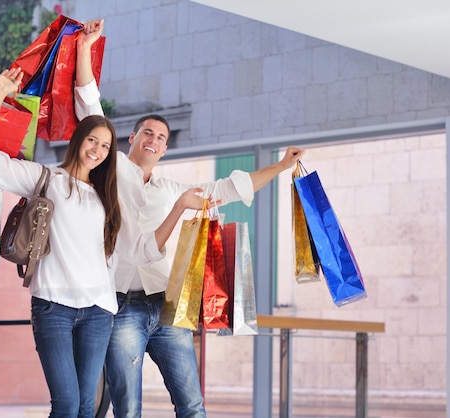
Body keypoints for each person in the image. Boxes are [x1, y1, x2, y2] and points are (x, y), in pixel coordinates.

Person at [0, 20, 210, 418]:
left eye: (105, 146)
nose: (97, 149)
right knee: (65, 404)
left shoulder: (108, 199)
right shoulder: (46, 179)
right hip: (53, 308)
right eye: (92, 141)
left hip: (99, 310)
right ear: (79, 141)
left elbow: (143, 248)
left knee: (86, 405)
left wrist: (181, 207)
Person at [74, 21, 305, 418]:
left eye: (162, 137)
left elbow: (229, 189)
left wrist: (282, 165)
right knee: (127, 408)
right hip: (120, 306)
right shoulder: (112, 170)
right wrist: (84, 48)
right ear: (132, 138)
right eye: (148, 132)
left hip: (167, 306)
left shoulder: (171, 188)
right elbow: (89, 107)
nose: (155, 140)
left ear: (165, 149)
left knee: (193, 406)